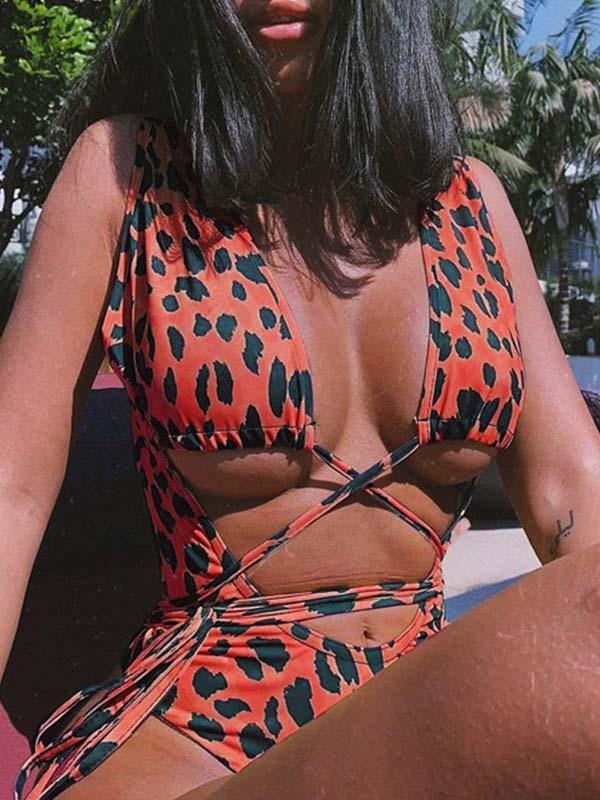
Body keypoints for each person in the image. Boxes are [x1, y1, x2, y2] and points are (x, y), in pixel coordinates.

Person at [2, 1, 599, 798]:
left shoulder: (470, 202)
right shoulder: (124, 171)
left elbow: (572, 489)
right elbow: (10, 490)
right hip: (202, 736)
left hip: (413, 703)